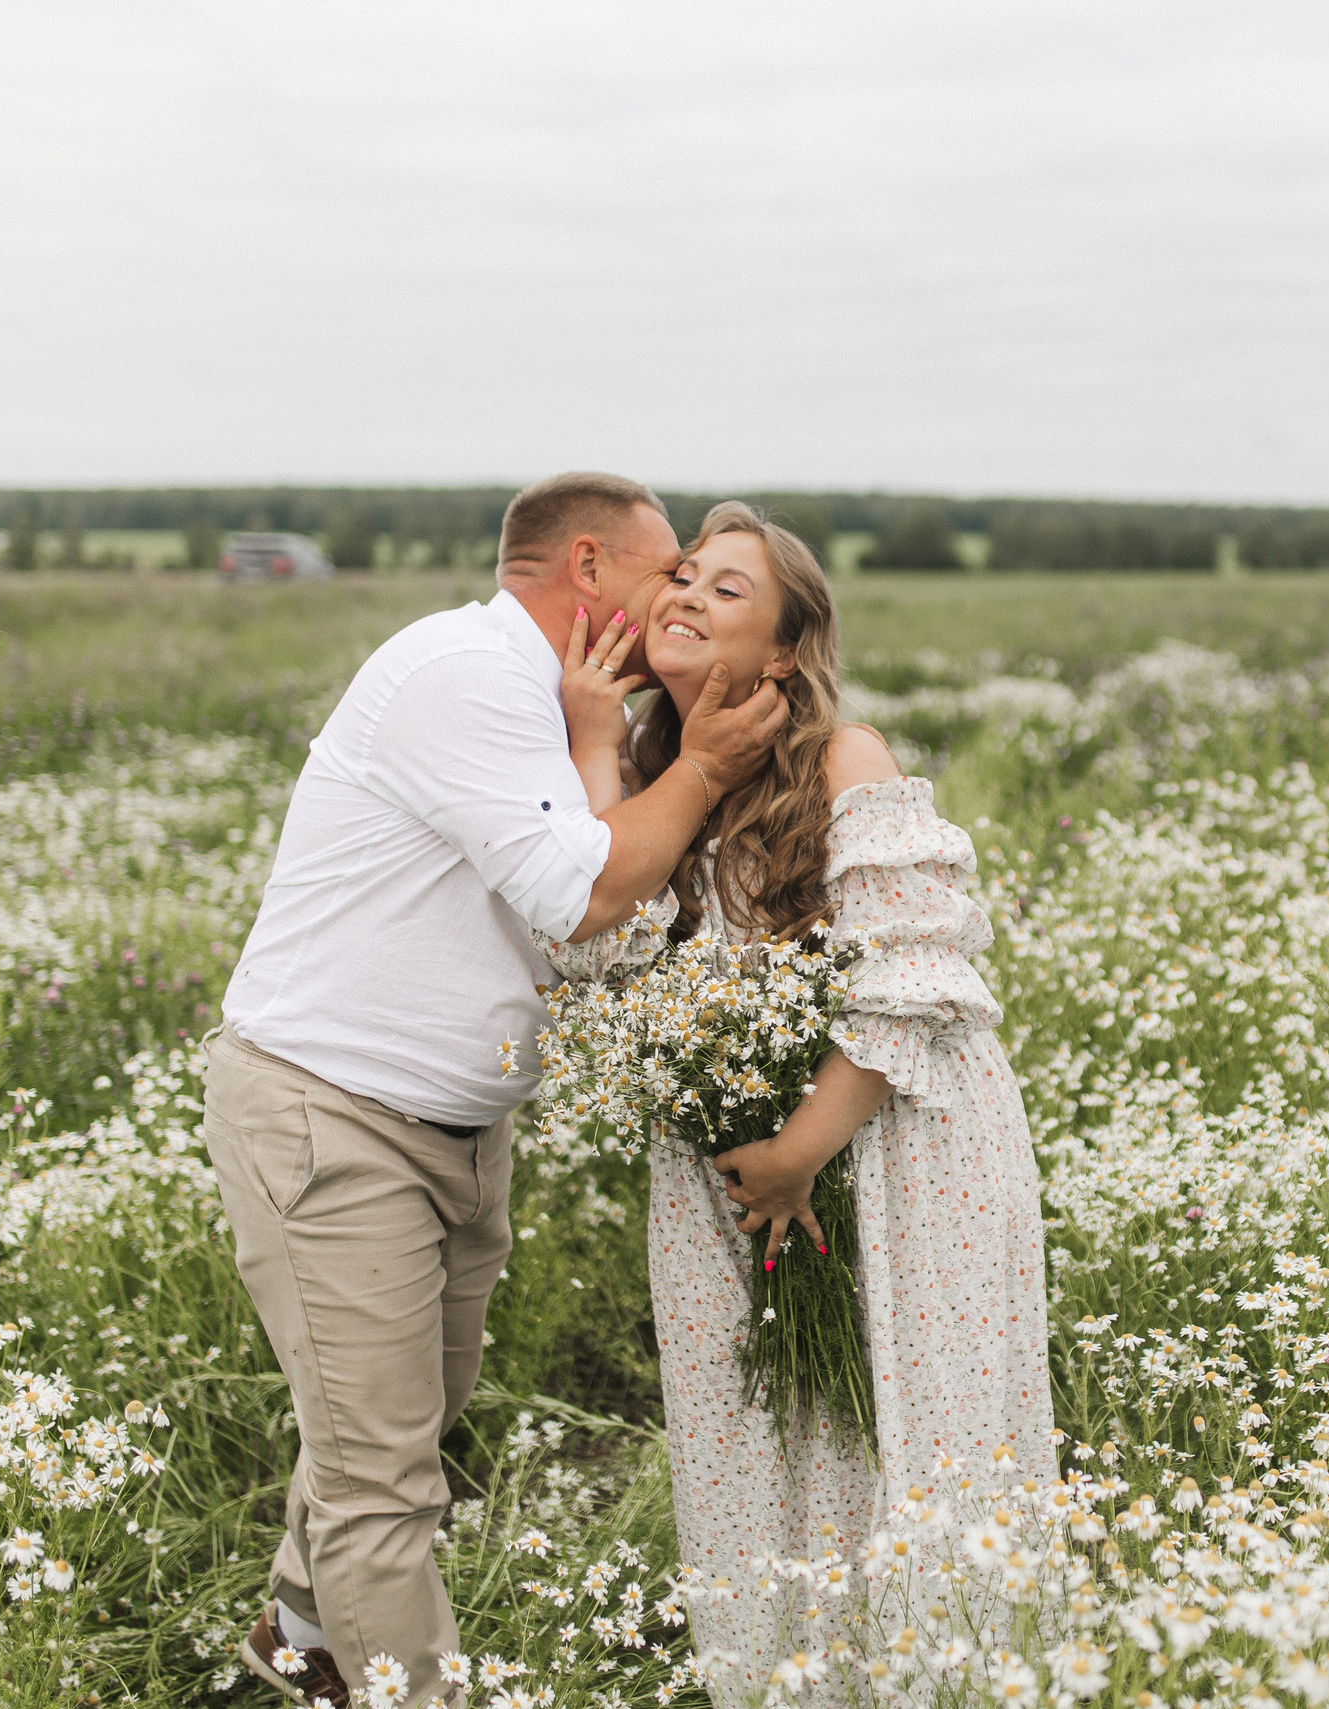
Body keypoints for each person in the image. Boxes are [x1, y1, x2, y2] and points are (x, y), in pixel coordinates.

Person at [206, 473, 788, 1709]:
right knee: (383, 1476)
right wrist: (707, 763)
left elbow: (590, 914)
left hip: (455, 1127)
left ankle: (302, 1628)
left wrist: (614, 741)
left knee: (409, 1422)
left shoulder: (563, 699)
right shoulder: (462, 672)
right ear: (588, 570)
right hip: (334, 1113)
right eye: (667, 567)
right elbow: (580, 896)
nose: (679, 588)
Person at [541, 501, 1053, 1706]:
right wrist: (592, 741)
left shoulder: (843, 758)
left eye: (725, 590)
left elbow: (915, 977)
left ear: (782, 651)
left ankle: (940, 1675)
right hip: (734, 1164)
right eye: (680, 578)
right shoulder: (664, 775)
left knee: (899, 1416)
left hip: (882, 1143)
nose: (683, 596)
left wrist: (798, 1151)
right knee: (761, 1433)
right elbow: (591, 953)